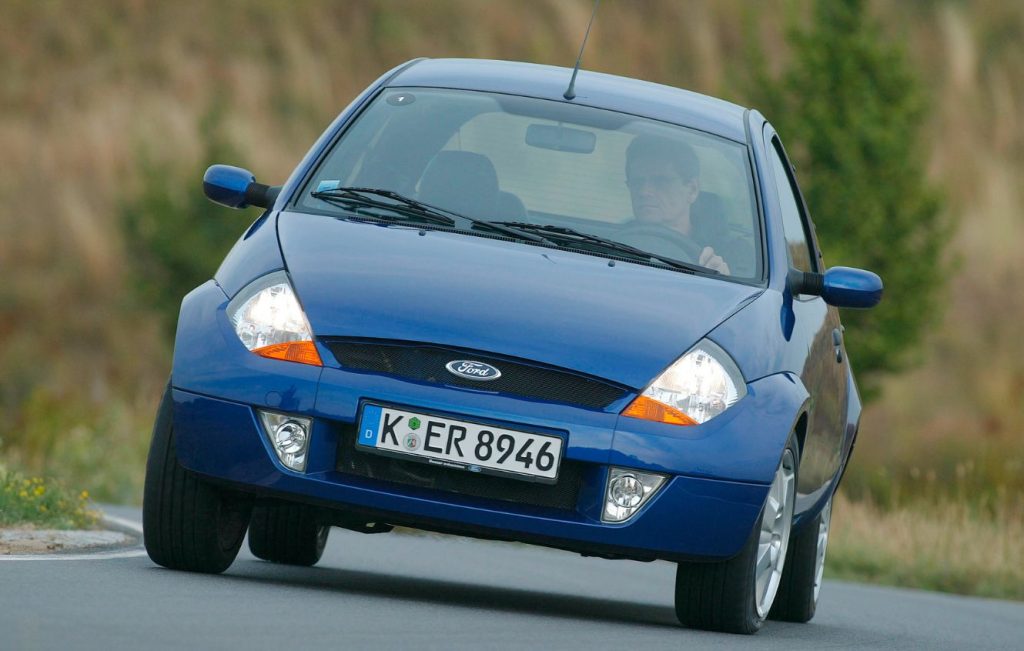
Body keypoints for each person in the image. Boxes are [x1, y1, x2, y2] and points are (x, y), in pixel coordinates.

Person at [622, 135, 731, 275]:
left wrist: (723, 280)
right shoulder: (609, 244)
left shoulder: (732, 255)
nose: (644, 191)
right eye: (638, 182)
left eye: (660, 181)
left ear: (692, 190)